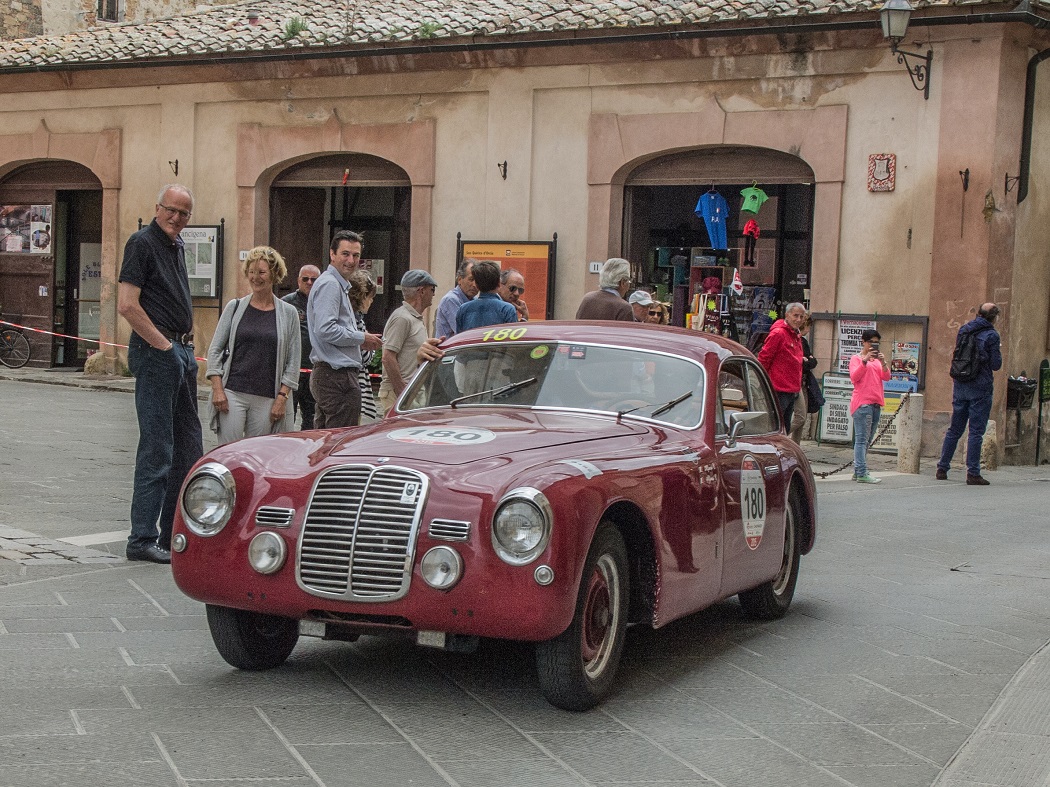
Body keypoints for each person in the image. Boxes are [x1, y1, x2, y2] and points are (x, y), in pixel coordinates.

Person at [116, 184, 203, 564]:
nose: (176, 218)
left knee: (189, 449)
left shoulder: (177, 245)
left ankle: (170, 535)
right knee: (157, 449)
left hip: (180, 352)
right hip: (159, 353)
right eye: (171, 210)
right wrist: (165, 347)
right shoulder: (142, 242)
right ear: (157, 208)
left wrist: (185, 347)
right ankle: (142, 539)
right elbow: (127, 305)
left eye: (183, 213)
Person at [206, 246, 300, 444]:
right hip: (232, 393)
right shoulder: (235, 307)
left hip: (267, 397)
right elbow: (215, 350)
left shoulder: (289, 313)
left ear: (274, 275)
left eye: (262, 272)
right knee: (229, 453)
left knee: (257, 455)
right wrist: (217, 389)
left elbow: (293, 361)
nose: (256, 278)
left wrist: (282, 398)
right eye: (251, 272)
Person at [307, 230, 383, 428]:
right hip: (336, 376)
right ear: (332, 254)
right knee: (339, 443)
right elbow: (326, 329)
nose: (351, 260)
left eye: (356, 255)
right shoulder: (331, 284)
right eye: (345, 254)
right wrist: (361, 338)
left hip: (332, 376)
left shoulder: (337, 284)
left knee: (326, 444)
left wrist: (361, 338)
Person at [936, 303, 1003, 485]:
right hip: (980, 386)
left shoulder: (964, 330)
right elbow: (996, 364)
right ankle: (973, 473)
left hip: (961, 383)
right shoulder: (991, 335)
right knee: (975, 432)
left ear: (979, 314)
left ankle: (942, 467)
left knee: (955, 429)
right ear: (994, 318)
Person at [379, 269, 438, 414]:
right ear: (421, 291)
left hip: (412, 391)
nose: (434, 294)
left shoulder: (415, 317)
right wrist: (403, 392)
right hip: (398, 393)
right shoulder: (402, 318)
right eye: (432, 289)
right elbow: (387, 357)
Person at [849, 329, 890, 483]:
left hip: (876, 403)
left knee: (867, 440)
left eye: (877, 343)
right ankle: (861, 472)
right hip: (863, 403)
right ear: (864, 342)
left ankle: (858, 470)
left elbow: (886, 377)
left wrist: (883, 362)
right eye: (871, 342)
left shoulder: (877, 361)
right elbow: (855, 377)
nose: (874, 345)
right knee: (861, 440)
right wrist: (864, 360)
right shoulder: (856, 359)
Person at [281, 264, 320, 429]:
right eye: (306, 279)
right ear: (298, 281)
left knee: (311, 417)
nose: (310, 282)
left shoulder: (323, 303)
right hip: (292, 371)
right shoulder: (286, 304)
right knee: (288, 416)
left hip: (315, 370)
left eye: (314, 279)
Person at [757, 302, 806, 430]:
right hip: (778, 388)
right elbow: (764, 358)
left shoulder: (796, 335)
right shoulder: (778, 334)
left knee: (785, 426)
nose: (798, 319)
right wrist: (762, 382)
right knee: (776, 425)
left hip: (791, 388)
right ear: (787, 315)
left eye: (801, 317)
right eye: (795, 315)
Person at [346, 270, 380, 423]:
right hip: (353, 382)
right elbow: (364, 357)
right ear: (362, 296)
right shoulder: (356, 320)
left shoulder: (353, 317)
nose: (372, 302)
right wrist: (369, 343)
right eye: (370, 297)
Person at [456, 260, 518, 331]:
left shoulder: (463, 310)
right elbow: (513, 339)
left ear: (476, 285)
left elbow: (459, 338)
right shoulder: (508, 310)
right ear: (498, 283)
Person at [790, 313, 818, 443]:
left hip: (803, 382)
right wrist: (805, 360)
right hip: (795, 382)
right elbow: (800, 361)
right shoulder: (796, 340)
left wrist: (807, 360)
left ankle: (796, 446)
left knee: (802, 417)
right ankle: (780, 435)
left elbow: (812, 362)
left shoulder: (803, 341)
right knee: (800, 416)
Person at [434, 259, 477, 338]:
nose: (474, 285)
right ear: (460, 279)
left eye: (477, 281)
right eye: (471, 279)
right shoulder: (451, 300)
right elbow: (463, 332)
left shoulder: (474, 300)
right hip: (448, 349)